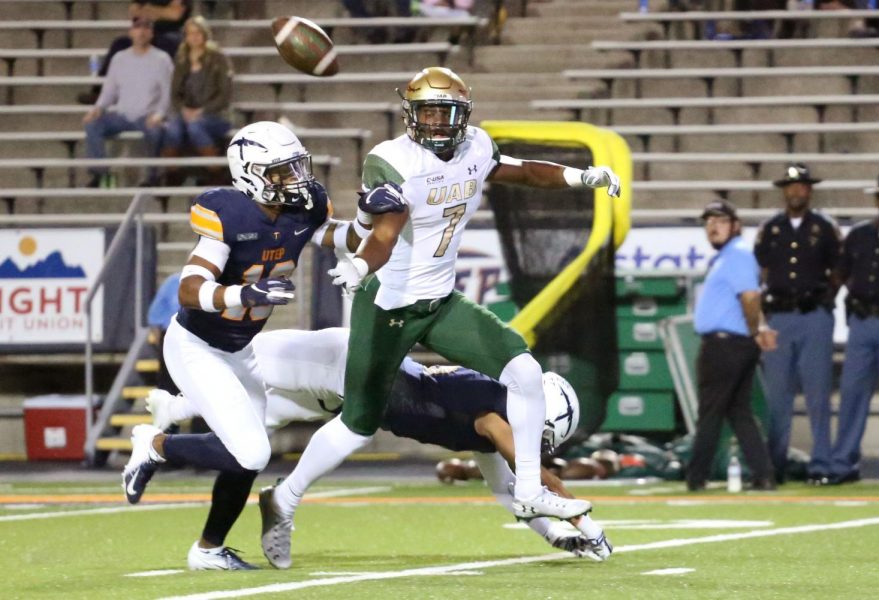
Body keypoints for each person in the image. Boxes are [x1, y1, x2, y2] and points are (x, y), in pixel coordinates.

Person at [264, 66, 620, 539]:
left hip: (439, 301)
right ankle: (283, 499)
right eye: (426, 112)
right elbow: (386, 232)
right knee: (357, 425)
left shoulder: (476, 145)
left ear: (462, 113)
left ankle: (531, 489)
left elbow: (525, 171)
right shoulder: (390, 161)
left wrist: (583, 176)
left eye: (444, 112)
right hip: (389, 302)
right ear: (410, 115)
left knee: (525, 371)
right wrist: (360, 266)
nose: (435, 123)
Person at [146, 328, 614, 568]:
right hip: (361, 372)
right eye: (544, 432)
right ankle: (281, 498)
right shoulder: (495, 416)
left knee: (259, 423)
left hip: (359, 387)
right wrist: (587, 522)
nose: (538, 442)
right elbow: (539, 480)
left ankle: (167, 430)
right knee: (350, 426)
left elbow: (510, 492)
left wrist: (557, 537)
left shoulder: (491, 425)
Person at [119, 121, 368, 570]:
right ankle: (155, 443)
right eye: (282, 170)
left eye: (296, 166)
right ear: (252, 174)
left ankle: (208, 549)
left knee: (247, 455)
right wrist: (242, 294)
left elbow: (336, 236)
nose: (296, 178)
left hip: (241, 349)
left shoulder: (303, 208)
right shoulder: (226, 214)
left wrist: (368, 218)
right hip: (196, 345)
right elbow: (191, 289)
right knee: (252, 450)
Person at [754, 163, 841, 485]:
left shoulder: (824, 227)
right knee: (779, 397)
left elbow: (840, 269)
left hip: (814, 315)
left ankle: (821, 466)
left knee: (818, 394)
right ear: (784, 191)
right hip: (780, 316)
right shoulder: (771, 229)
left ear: (809, 190)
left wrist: (824, 297)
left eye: (802, 186)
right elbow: (760, 272)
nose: (796, 192)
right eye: (791, 186)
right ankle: (775, 464)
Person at [686, 200, 779, 492]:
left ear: (736, 226)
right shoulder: (731, 256)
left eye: (720, 221)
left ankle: (696, 476)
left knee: (710, 410)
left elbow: (750, 297)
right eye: (709, 222)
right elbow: (750, 297)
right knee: (738, 412)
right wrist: (758, 330)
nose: (713, 227)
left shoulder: (736, 255)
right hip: (736, 344)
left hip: (725, 345)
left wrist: (756, 330)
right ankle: (764, 474)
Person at [830, 168, 879, 487]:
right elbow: (839, 275)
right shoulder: (858, 235)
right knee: (852, 393)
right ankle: (843, 462)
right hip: (861, 322)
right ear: (876, 198)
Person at [82, 16, 173, 188]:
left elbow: (168, 93)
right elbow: (109, 90)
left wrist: (159, 115)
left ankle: (152, 177)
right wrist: (98, 108)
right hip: (123, 115)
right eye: (138, 28)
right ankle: (100, 174)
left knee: (155, 132)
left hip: (148, 116)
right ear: (131, 32)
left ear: (151, 33)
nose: (141, 32)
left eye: (146, 28)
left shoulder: (162, 59)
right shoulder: (119, 58)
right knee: (92, 124)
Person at [160, 15, 233, 186]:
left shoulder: (218, 58)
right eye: (190, 33)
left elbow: (225, 95)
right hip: (187, 112)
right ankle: (172, 174)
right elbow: (174, 93)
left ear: (205, 34)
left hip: (216, 114)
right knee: (172, 129)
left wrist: (202, 111)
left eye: (198, 33)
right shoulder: (182, 58)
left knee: (195, 126)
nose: (194, 37)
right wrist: (184, 110)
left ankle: (217, 171)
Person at [78, 1, 192, 105]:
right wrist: (163, 11)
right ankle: (98, 91)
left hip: (173, 33)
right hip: (146, 31)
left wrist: (148, 9)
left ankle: (176, 93)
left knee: (169, 43)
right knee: (120, 43)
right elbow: (134, 11)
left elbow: (175, 14)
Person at [146, 271, 181, 395]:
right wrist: (162, 345)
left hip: (200, 337)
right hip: (173, 336)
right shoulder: (173, 283)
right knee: (168, 386)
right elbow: (154, 317)